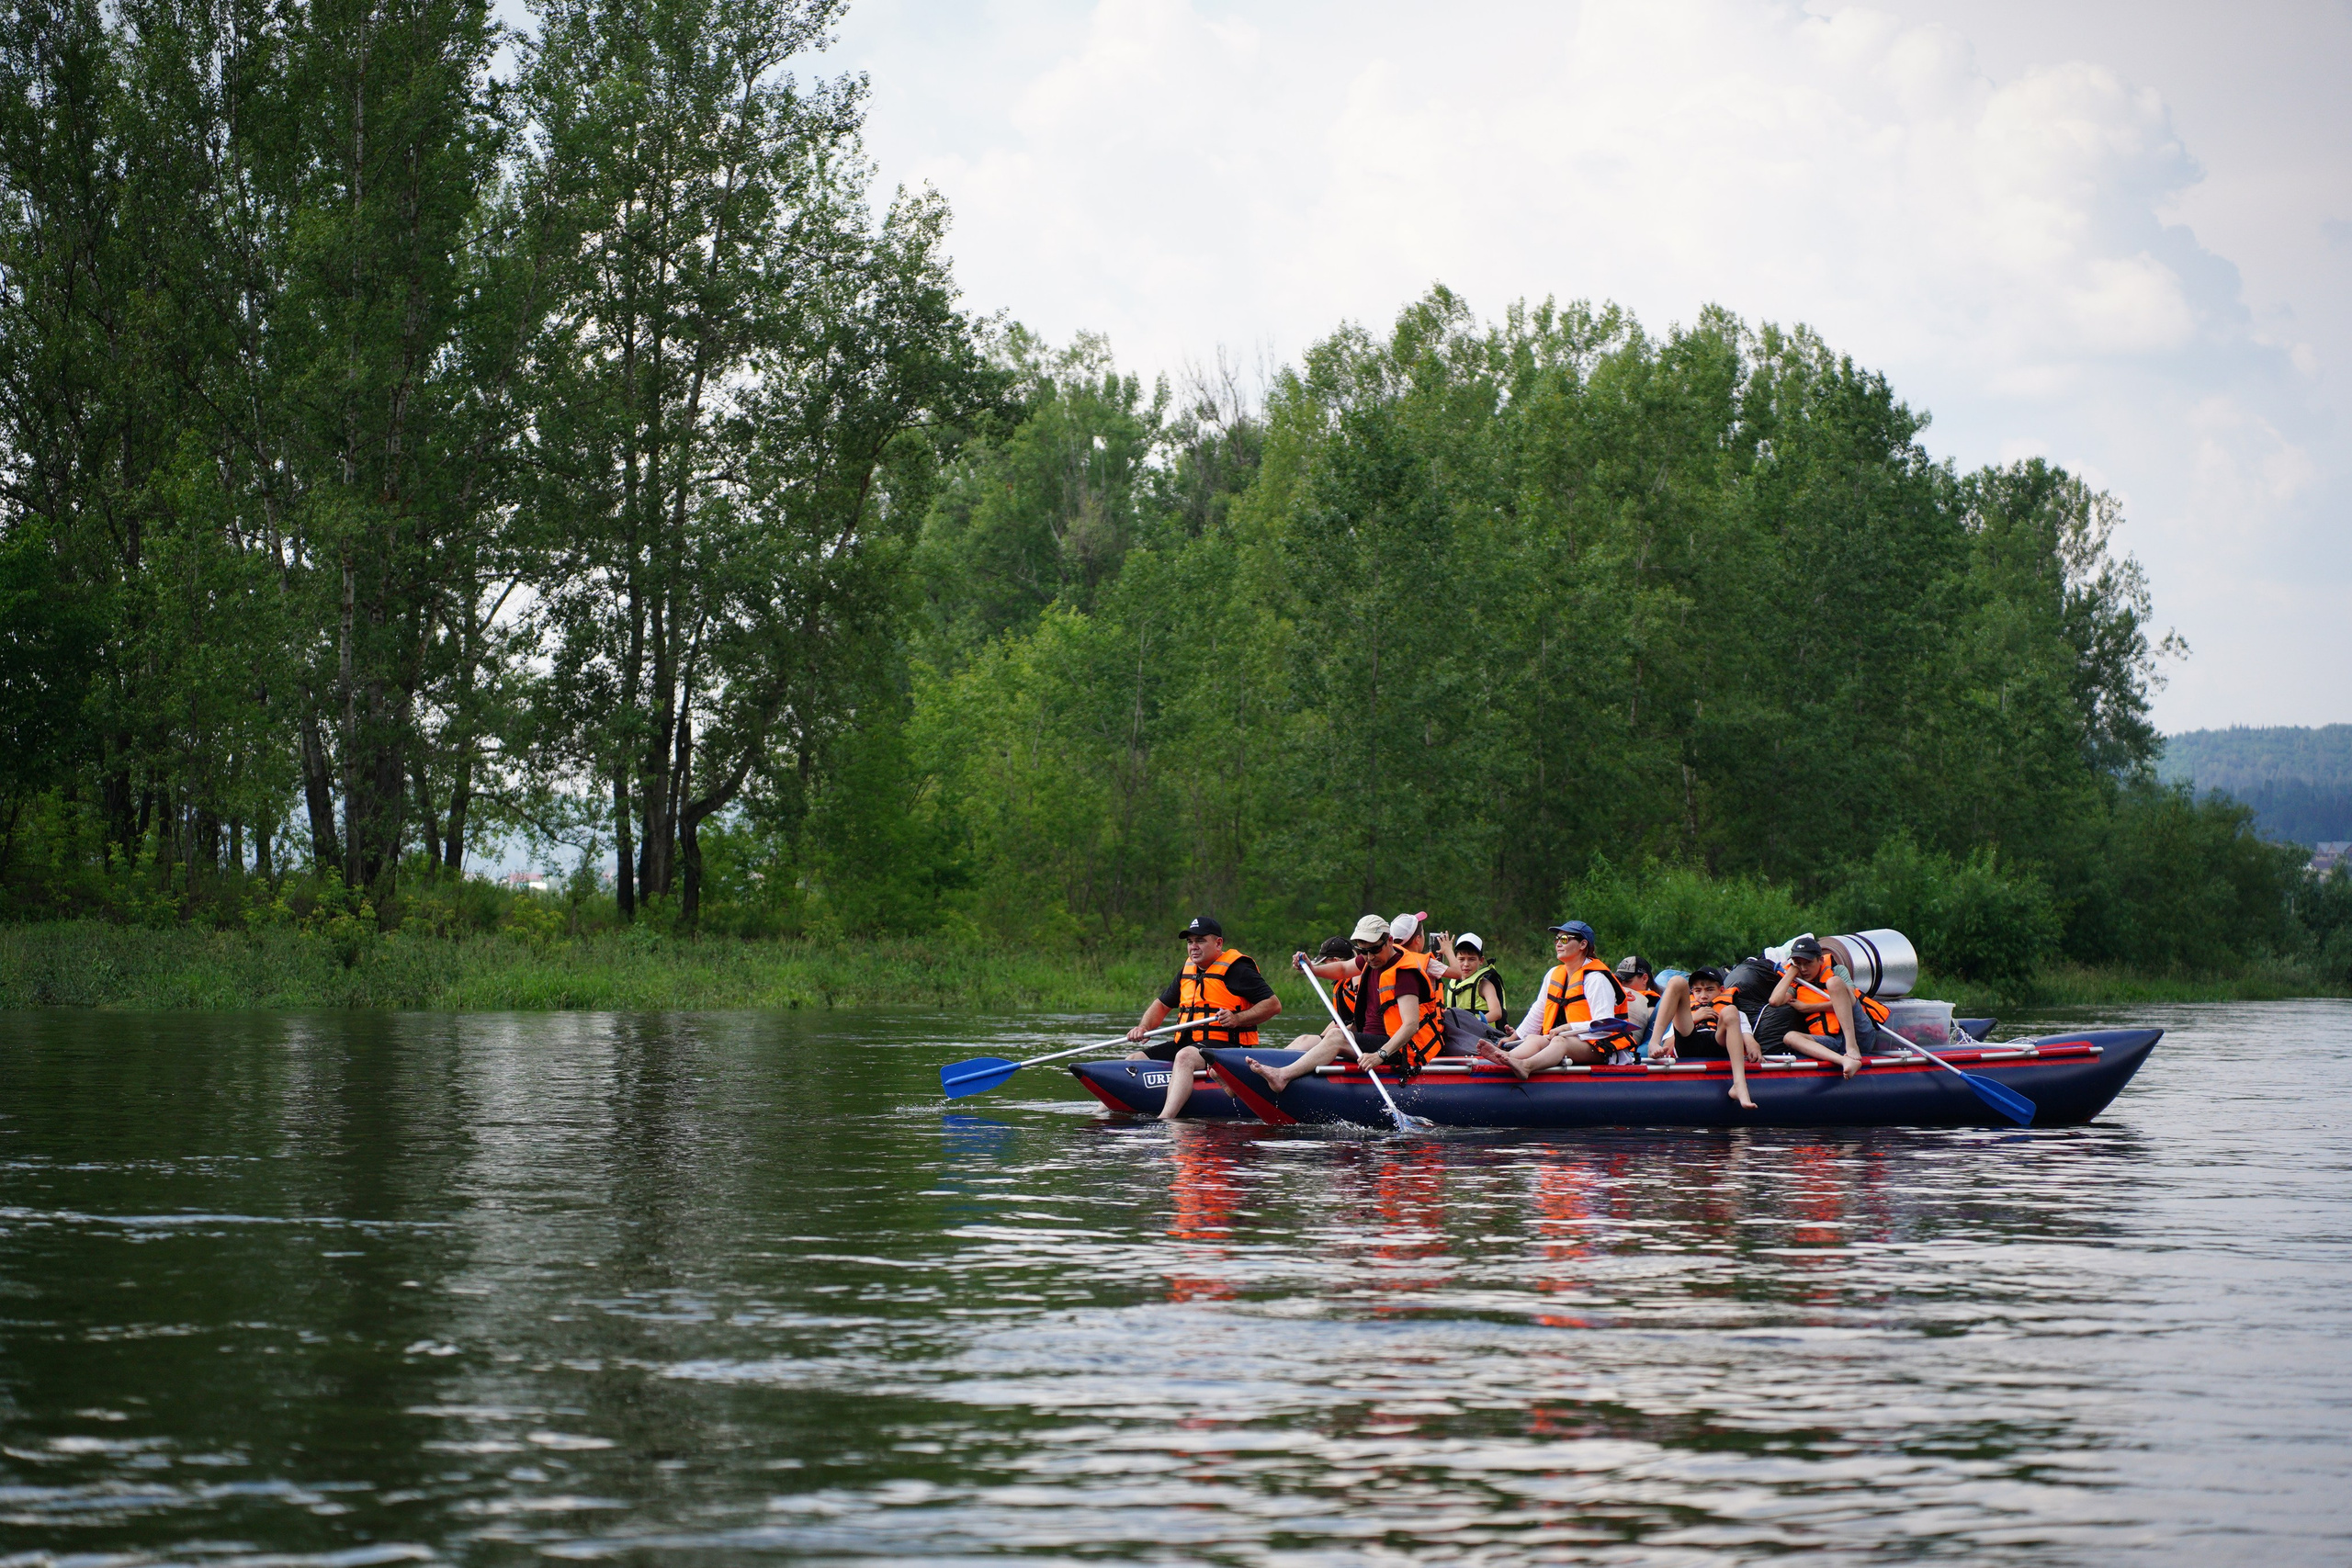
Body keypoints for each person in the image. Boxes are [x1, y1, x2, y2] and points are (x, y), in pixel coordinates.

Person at [1251, 914, 1443, 1093]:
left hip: (1398, 1048)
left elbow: (1411, 1024)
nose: (1369, 957)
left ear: (1390, 941)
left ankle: (1282, 1076)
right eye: (1363, 951)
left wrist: (1380, 1055)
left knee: (1336, 1036)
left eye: (1375, 950)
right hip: (1372, 1039)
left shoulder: (1405, 974)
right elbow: (1343, 969)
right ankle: (1261, 1075)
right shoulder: (1373, 958)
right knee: (1309, 1040)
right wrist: (1312, 968)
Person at [1125, 916, 1282, 1120]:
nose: (1193, 947)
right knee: (1133, 1060)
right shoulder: (1188, 970)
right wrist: (1143, 1026)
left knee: (1185, 1056)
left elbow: (1273, 1005)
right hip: (1189, 1043)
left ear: (1218, 943)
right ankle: (1105, 1112)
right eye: (1190, 942)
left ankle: (1165, 1120)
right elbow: (1162, 1005)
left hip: (1227, 1046)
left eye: (1200, 941)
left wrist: (1237, 1019)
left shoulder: (1238, 969)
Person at [1479, 919, 1632, 1077]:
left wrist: (1567, 1028)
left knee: (1560, 1041)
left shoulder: (1596, 979)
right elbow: (1538, 1012)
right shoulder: (1553, 974)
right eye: (1557, 939)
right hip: (1566, 1042)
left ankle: (1526, 1066)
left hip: (1601, 1047)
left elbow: (1605, 1025)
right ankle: (1507, 1058)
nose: (1558, 943)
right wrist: (1513, 1037)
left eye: (1565, 939)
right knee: (1534, 1039)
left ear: (1583, 944)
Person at [1645, 965, 1761, 1109]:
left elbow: (1750, 1042)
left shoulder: (1735, 1012)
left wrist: (1754, 1048)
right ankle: (1653, 1042)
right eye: (1698, 991)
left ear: (1722, 990)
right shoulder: (1686, 1012)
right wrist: (1694, 1018)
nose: (1703, 996)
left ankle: (1739, 1085)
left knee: (1731, 1010)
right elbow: (1668, 1047)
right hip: (1689, 1042)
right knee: (1676, 981)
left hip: (1718, 1042)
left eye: (1709, 990)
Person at [1753, 934, 1867, 1078]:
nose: (1803, 968)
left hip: (1859, 1033)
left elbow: (1847, 1001)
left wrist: (1808, 1008)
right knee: (1790, 1037)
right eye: (1798, 963)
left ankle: (1852, 1047)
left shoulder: (1837, 970)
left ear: (1820, 960)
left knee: (1833, 983)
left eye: (1807, 963)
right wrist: (1791, 973)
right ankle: (1844, 1061)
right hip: (1833, 1041)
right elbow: (1775, 1001)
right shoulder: (1798, 983)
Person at [1438, 931, 1507, 1028]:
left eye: (1471, 959)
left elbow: (1496, 1012)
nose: (1466, 964)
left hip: (1481, 1034)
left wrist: (1475, 1023)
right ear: (1455, 959)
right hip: (1459, 1034)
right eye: (1461, 959)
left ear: (1481, 960)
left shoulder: (1484, 985)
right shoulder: (1454, 982)